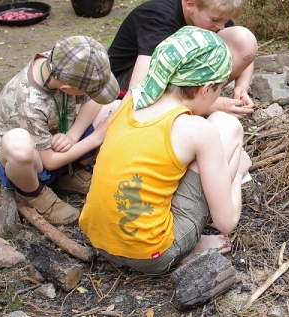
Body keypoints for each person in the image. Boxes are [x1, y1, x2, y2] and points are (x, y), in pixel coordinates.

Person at [79, 26, 252, 274]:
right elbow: (227, 222)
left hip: (101, 241)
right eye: (219, 89)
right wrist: (236, 174)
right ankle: (189, 247)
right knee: (228, 125)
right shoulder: (196, 130)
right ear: (206, 88)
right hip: (152, 255)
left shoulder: (133, 98)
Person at [0, 36, 121, 226]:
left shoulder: (62, 63)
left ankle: (70, 174)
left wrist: (72, 135)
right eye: (88, 90)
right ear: (67, 88)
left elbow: (94, 100)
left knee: (114, 108)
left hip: (58, 141)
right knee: (16, 143)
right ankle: (33, 194)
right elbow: (48, 161)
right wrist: (96, 137)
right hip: (33, 165)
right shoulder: (25, 100)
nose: (91, 94)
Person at [108, 0, 258, 118]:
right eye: (216, 19)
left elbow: (244, 52)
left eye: (225, 20)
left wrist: (241, 87)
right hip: (124, 82)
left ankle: (196, 101)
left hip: (176, 79)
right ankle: (194, 106)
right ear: (190, 5)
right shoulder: (159, 20)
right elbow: (138, 88)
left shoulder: (214, 17)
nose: (221, 26)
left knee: (243, 40)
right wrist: (211, 106)